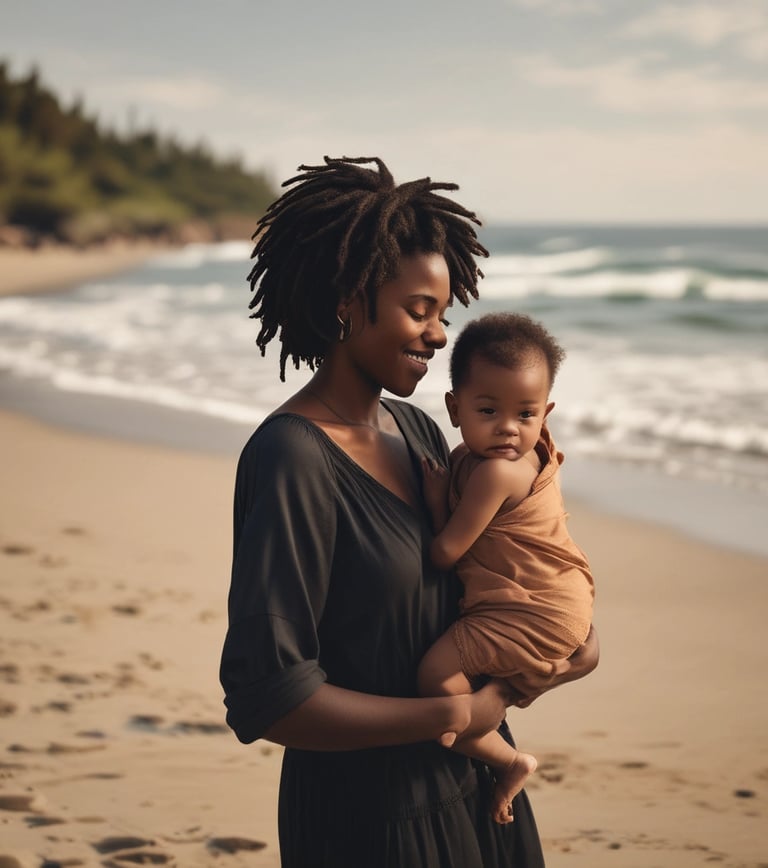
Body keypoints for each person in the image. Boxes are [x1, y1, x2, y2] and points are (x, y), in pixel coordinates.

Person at [219, 156, 599, 868]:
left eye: (443, 315)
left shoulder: (420, 433)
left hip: (481, 788)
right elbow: (270, 695)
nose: (437, 336)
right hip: (370, 820)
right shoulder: (291, 458)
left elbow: (484, 591)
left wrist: (558, 652)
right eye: (419, 310)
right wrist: (455, 714)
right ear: (346, 299)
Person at [418, 312, 596, 825]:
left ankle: (507, 757)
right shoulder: (515, 458)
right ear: (455, 409)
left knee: (436, 677)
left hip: (532, 612)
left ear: (547, 412)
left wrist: (434, 502)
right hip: (561, 599)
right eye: (489, 409)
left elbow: (444, 554)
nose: (507, 429)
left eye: (525, 414)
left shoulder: (494, 471)